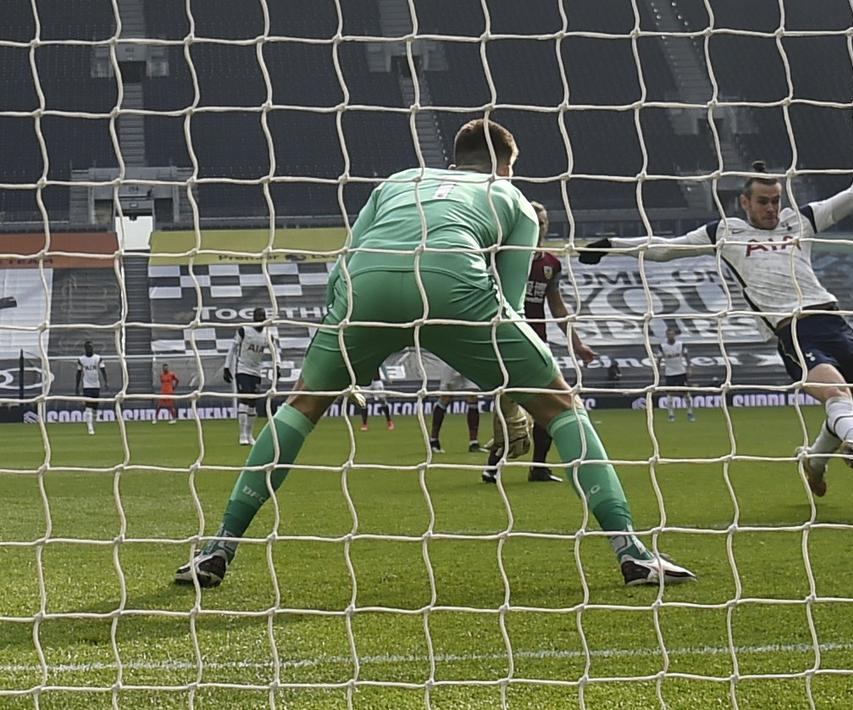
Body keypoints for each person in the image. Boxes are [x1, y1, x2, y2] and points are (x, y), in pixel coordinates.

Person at [174, 119, 694, 589]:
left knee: (301, 406)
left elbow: (339, 268)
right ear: (508, 166)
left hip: (364, 288)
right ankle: (632, 551)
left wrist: (348, 346)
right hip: (453, 285)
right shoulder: (510, 197)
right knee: (561, 407)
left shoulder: (398, 180)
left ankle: (218, 546)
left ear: (453, 161)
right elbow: (511, 301)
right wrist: (511, 376)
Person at [580, 107, 853, 498]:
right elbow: (665, 250)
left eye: (776, 200)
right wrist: (611, 246)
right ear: (744, 202)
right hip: (792, 328)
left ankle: (814, 462)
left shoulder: (802, 220)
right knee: (838, 397)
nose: (771, 209)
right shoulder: (725, 232)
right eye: (763, 201)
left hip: (834, 319)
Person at [482, 201, 598, 484]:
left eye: (545, 220)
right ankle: (493, 466)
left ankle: (539, 467)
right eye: (536, 219)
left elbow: (557, 307)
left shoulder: (551, 264)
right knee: (510, 409)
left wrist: (578, 344)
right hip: (508, 340)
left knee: (552, 405)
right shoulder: (503, 257)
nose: (542, 224)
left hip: (537, 342)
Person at [224, 307, 279, 446]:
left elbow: (275, 352)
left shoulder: (268, 334)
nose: (261, 318)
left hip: (256, 372)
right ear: (254, 318)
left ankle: (249, 435)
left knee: (253, 403)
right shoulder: (244, 330)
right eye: (259, 316)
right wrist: (227, 367)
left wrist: (277, 366)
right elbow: (232, 349)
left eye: (263, 316)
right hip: (242, 369)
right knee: (245, 399)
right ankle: (242, 434)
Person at [428, 363, 483, 453]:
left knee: (473, 396)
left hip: (471, 359)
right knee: (446, 397)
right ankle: (434, 440)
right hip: (452, 360)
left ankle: (474, 443)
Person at [658, 327, 694, 422]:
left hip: (681, 371)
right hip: (669, 373)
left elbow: (687, 356)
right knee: (670, 394)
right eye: (669, 334)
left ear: (675, 335)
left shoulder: (680, 345)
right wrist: (658, 372)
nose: (670, 336)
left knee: (686, 393)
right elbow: (658, 359)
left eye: (672, 334)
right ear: (666, 335)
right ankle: (671, 414)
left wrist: (689, 368)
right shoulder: (662, 346)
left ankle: (690, 412)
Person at [75, 341, 107, 435]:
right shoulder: (81, 359)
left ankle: (93, 425)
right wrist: (77, 386)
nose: (90, 349)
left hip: (96, 385)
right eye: (88, 347)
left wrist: (106, 382)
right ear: (85, 348)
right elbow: (78, 373)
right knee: (88, 407)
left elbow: (103, 370)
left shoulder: (98, 358)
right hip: (87, 386)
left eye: (91, 347)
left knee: (95, 408)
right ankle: (90, 428)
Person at [360, 365, 394, 431]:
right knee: (364, 402)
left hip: (376, 380)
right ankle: (364, 424)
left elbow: (383, 365)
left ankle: (389, 421)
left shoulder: (374, 356)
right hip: (366, 382)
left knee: (382, 400)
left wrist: (387, 377)